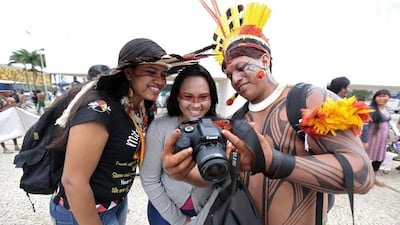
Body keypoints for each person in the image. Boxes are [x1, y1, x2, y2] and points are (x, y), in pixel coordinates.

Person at [161, 2, 375, 225]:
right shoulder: (237, 121)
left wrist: (273, 162)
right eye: (229, 72)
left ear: (264, 60)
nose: (235, 79)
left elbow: (362, 176)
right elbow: (220, 174)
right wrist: (181, 172)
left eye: (242, 67)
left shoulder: (309, 99)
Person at [48, 38, 185, 225]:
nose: (160, 81)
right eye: (151, 72)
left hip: (116, 205)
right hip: (82, 212)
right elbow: (73, 181)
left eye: (163, 74)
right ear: (129, 72)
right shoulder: (100, 110)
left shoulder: (140, 109)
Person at [140, 64, 218, 225]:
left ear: (212, 97)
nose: (196, 104)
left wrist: (203, 218)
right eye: (188, 96)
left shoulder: (221, 126)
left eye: (203, 97)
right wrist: (180, 221)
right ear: (176, 96)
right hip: (164, 212)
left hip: (208, 212)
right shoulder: (159, 127)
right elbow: (149, 179)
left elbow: (224, 182)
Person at [363, 89, 392, 186]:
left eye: (384, 96)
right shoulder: (370, 109)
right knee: (366, 158)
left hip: (382, 139)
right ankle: (363, 178)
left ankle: (374, 178)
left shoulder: (386, 108)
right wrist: (364, 140)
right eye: (379, 96)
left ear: (389, 98)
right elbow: (365, 125)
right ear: (375, 98)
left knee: (379, 158)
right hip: (372, 137)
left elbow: (388, 123)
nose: (382, 98)